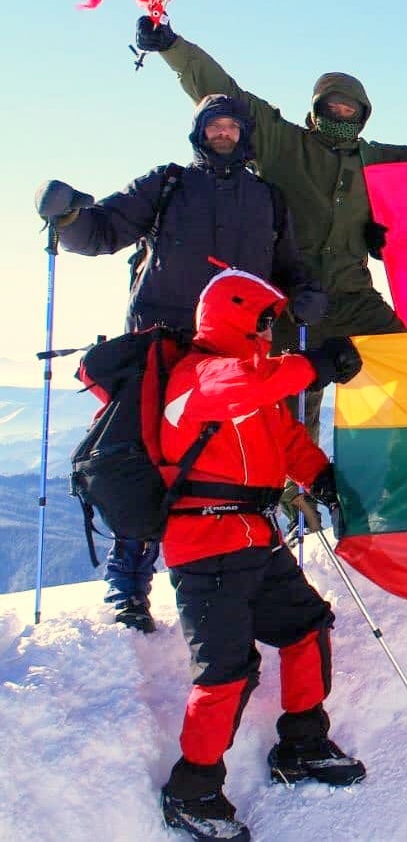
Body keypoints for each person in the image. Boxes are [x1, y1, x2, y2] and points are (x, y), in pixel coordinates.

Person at [33, 94, 326, 634]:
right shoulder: (166, 184)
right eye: (213, 126)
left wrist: (304, 295)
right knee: (147, 455)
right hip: (164, 348)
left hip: (238, 353)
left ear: (245, 135)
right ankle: (129, 582)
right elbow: (102, 231)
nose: (222, 134)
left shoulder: (267, 199)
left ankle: (255, 572)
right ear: (198, 133)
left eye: (231, 127)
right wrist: (70, 217)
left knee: (243, 457)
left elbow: (287, 267)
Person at [134, 15, 407, 440]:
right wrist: (172, 47)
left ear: (363, 114)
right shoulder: (283, 145)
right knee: (289, 416)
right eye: (331, 107)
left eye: (349, 109)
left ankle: (403, 468)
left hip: (356, 299)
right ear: (315, 111)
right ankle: (297, 498)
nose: (340, 114)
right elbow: (226, 94)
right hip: (290, 305)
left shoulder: (377, 158)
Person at [156, 267, 365, 842]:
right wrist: (315, 365)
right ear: (237, 314)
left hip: (253, 537)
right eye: (265, 321)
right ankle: (191, 792)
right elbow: (249, 385)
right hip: (205, 546)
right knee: (225, 672)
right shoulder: (197, 375)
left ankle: (302, 744)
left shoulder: (254, 381)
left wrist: (321, 478)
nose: (272, 333)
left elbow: (287, 439)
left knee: (305, 627)